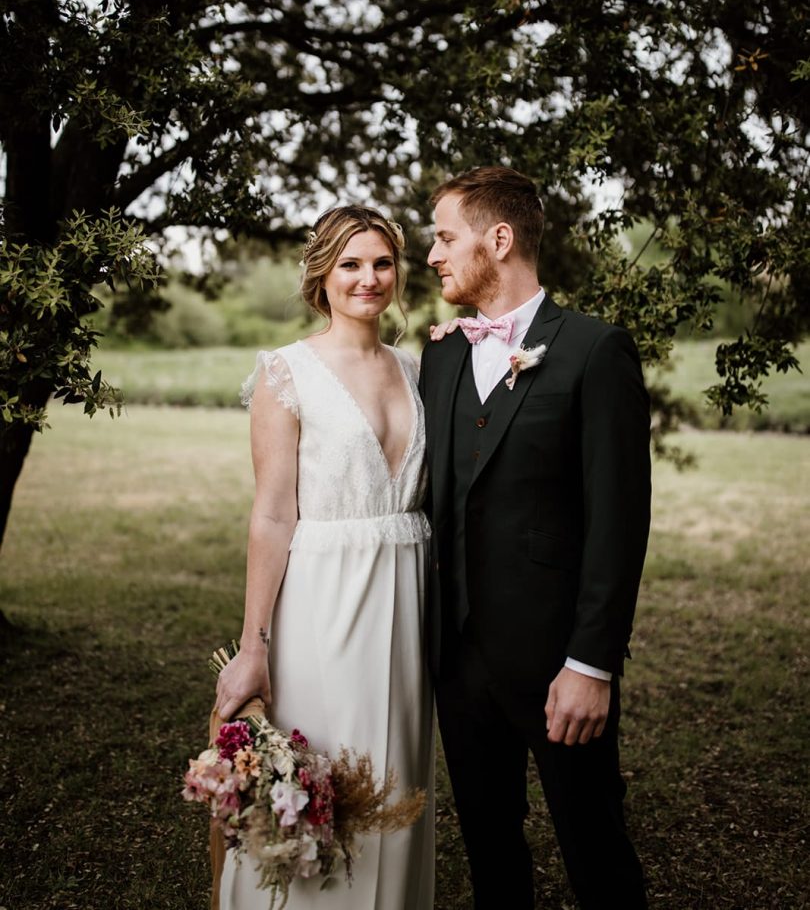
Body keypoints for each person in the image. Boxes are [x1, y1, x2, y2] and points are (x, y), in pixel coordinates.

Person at [419, 166, 650, 910]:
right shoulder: (443, 354)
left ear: (500, 237)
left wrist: (592, 662)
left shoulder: (593, 349)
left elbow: (620, 520)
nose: (432, 255)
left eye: (444, 236)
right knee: (491, 855)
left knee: (597, 853)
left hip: (559, 667)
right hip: (458, 661)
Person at [214, 205, 434, 910]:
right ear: (321, 274)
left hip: (407, 601)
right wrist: (254, 645)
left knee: (394, 784)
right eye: (350, 263)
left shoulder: (421, 368)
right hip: (323, 601)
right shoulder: (288, 372)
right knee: (320, 785)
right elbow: (273, 514)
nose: (368, 278)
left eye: (381, 262)